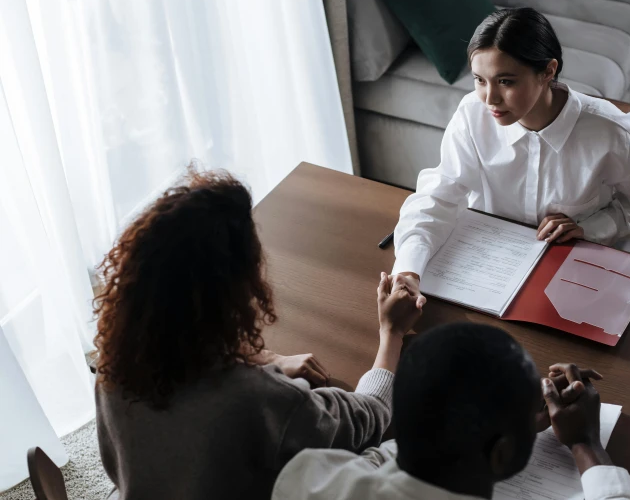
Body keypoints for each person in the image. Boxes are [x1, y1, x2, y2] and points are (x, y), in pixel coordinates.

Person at [92, 169, 422, 500]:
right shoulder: (257, 399)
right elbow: (368, 417)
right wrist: (391, 333)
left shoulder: (115, 365)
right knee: (403, 450)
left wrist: (267, 360)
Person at [392, 7, 630, 309]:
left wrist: (592, 228)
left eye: (506, 82)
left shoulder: (609, 130)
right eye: (479, 80)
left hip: (583, 264)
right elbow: (439, 196)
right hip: (495, 267)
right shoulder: (472, 114)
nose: (490, 99)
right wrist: (409, 269)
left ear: (548, 71)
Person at [272, 323, 630, 500]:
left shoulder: (308, 479)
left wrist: (503, 419)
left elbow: (375, 459)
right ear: (502, 454)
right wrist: (586, 443)